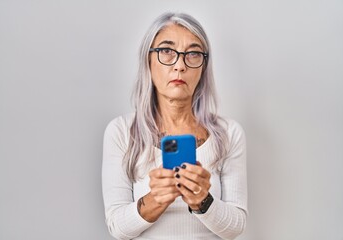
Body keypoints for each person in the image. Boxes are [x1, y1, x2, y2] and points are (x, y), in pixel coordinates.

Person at [102, 12, 247, 240]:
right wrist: (154, 200)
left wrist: (203, 201)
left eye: (193, 54)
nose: (179, 65)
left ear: (203, 67)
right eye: (166, 51)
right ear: (148, 60)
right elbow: (117, 227)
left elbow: (236, 226)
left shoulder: (228, 134)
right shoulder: (121, 132)